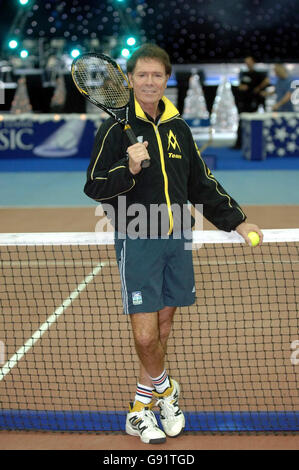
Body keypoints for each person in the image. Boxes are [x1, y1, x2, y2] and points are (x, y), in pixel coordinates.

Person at [84, 44, 263, 444]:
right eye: (142, 75)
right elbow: (94, 186)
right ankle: (167, 390)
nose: (149, 82)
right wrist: (127, 169)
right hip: (138, 236)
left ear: (167, 80)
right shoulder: (115, 129)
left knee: (163, 329)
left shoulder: (178, 127)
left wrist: (236, 220)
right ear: (130, 80)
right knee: (146, 337)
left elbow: (201, 182)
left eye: (157, 75)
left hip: (177, 237)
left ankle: (139, 409)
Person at [233, 55, 270, 148]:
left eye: (249, 61)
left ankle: (253, 144)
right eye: (246, 62)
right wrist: (241, 88)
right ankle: (239, 144)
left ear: (253, 62)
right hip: (243, 103)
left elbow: (267, 82)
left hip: (253, 103)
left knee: (252, 122)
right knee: (241, 122)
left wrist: (258, 88)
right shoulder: (244, 74)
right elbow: (241, 86)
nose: (247, 63)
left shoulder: (258, 74)